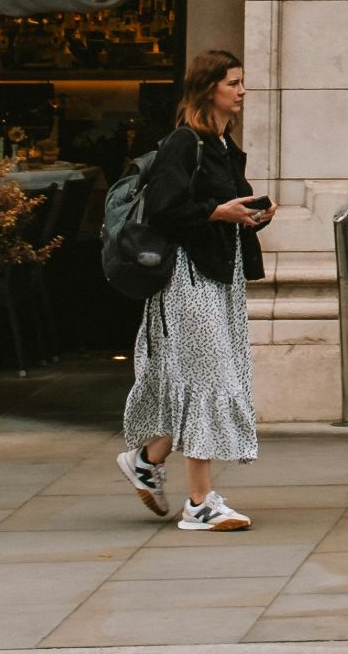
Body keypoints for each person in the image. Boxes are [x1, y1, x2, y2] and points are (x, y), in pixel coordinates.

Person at [113, 50, 276, 531]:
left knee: (203, 377)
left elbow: (224, 206)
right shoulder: (186, 142)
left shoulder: (223, 144)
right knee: (208, 379)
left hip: (216, 274)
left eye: (242, 82)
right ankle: (200, 502)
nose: (242, 91)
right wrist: (215, 212)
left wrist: (251, 216)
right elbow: (166, 207)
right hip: (187, 279)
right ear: (210, 89)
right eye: (234, 83)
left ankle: (147, 459)